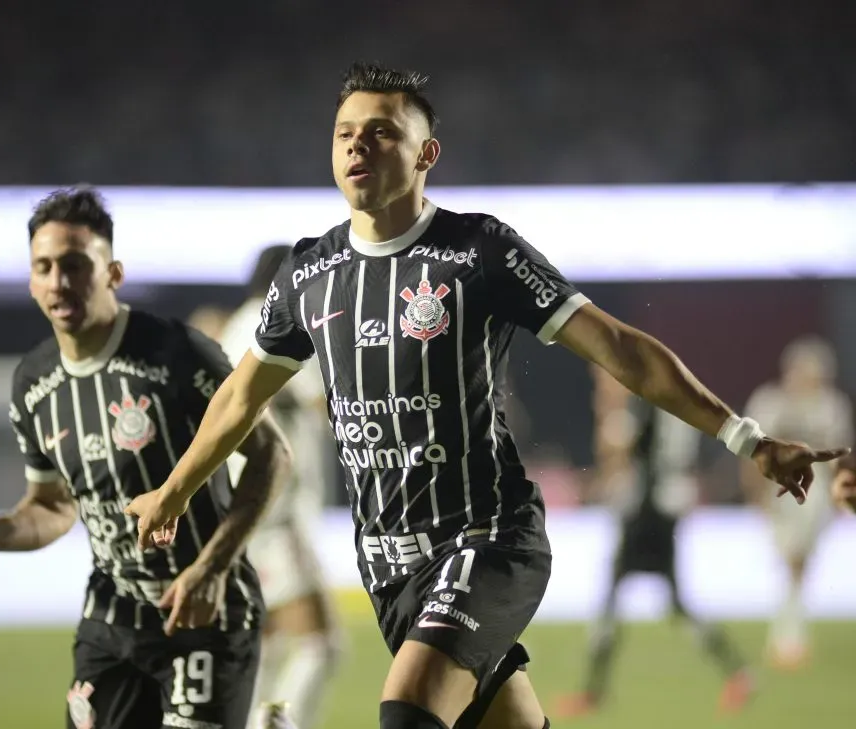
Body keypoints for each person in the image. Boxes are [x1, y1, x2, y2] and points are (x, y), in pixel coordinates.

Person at [125, 63, 850, 729]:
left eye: (382, 132)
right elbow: (240, 397)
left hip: (486, 539)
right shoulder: (308, 275)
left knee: (408, 709)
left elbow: (621, 350)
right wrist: (174, 490)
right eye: (345, 133)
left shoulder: (479, 252)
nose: (358, 146)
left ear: (425, 154)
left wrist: (747, 438)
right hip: (388, 563)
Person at [0, 187, 291, 729]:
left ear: (113, 273)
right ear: (32, 281)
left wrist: (213, 566)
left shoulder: (178, 354)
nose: (59, 281)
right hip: (113, 615)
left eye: (75, 264)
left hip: (204, 611)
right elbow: (52, 506)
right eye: (44, 267)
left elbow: (272, 455)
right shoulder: (33, 383)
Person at [555, 365, 752, 718]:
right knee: (670, 600)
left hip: (647, 510)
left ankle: (593, 691)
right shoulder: (672, 405)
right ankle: (737, 672)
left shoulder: (640, 407)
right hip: (667, 507)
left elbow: (619, 451)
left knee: (615, 596)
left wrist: (607, 418)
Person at [220, 245, 341, 729]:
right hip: (276, 509)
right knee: (320, 643)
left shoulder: (235, 327)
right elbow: (326, 406)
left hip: (239, 504)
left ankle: (243, 720)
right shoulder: (280, 323)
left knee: (266, 640)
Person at [740, 335, 854, 669]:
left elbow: (839, 457)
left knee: (797, 562)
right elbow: (750, 453)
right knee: (792, 562)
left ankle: (788, 637)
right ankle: (790, 635)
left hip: (814, 492)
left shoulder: (831, 406)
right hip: (777, 489)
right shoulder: (769, 402)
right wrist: (754, 494)